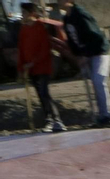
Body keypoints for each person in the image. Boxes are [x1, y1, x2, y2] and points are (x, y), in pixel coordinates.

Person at [59, 0, 110, 126]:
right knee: (92, 83)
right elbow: (72, 41)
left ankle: (106, 116)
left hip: (99, 51)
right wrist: (77, 56)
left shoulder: (81, 14)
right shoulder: (67, 19)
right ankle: (97, 116)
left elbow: (95, 37)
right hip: (85, 54)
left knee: (98, 81)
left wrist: (86, 55)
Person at [15, 3, 66, 132]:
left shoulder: (41, 27)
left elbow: (44, 49)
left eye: (24, 12)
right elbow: (21, 50)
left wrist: (33, 62)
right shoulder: (23, 30)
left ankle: (57, 120)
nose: (22, 15)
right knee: (40, 94)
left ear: (31, 13)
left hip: (42, 67)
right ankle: (49, 120)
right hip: (30, 69)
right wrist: (21, 68)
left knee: (44, 93)